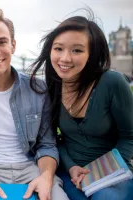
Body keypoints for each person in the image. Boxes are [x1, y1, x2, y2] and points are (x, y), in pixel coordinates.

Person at [0, 9, 68, 200]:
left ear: (13, 45)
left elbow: (47, 145)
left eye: (1, 42)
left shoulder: (39, 89)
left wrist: (46, 177)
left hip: (32, 167)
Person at [30, 12, 133, 200]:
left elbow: (129, 137)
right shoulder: (53, 85)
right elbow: (53, 140)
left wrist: (106, 171)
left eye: (77, 50)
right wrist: (71, 167)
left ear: (91, 54)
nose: (65, 58)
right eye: (58, 48)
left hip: (113, 174)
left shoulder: (113, 83)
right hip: (70, 173)